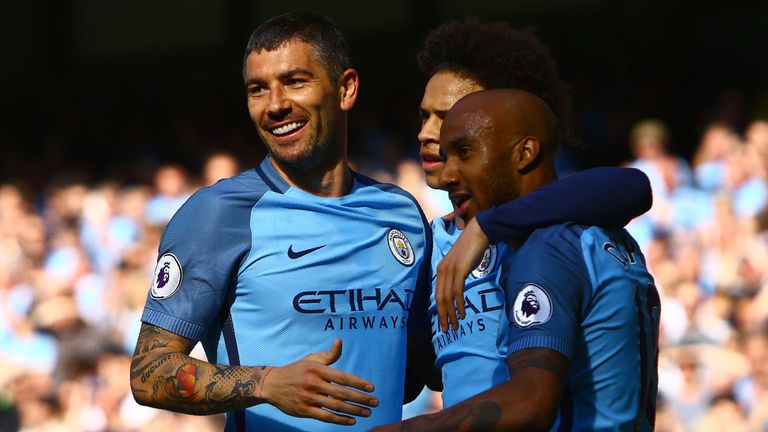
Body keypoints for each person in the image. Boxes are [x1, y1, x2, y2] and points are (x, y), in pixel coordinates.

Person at [130, 12, 438, 431]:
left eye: (295, 81)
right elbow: (149, 372)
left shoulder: (401, 214)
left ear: (345, 88)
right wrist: (269, 383)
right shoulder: (217, 214)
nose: (275, 105)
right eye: (258, 89)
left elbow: (416, 370)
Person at [376, 88, 660, 431]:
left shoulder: (545, 249)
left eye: (465, 151)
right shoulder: (603, 235)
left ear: (524, 151)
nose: (449, 173)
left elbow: (531, 401)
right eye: (424, 118)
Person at [412, 18, 652, 408]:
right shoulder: (426, 244)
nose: (427, 132)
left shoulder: (554, 225)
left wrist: (487, 226)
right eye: (425, 116)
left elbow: (633, 188)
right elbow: (426, 372)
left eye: (449, 115)